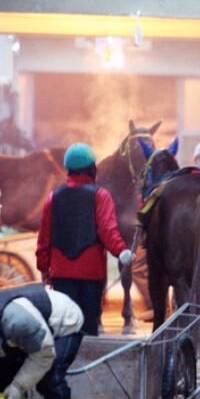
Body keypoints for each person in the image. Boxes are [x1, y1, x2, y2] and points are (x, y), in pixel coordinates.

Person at [36, 142, 133, 337]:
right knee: (88, 330)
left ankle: (64, 367)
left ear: (68, 168)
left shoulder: (53, 197)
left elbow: (44, 237)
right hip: (91, 275)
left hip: (61, 275)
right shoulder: (101, 196)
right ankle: (85, 366)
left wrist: (44, 267)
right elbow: (108, 230)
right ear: (92, 168)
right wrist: (121, 251)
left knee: (64, 329)